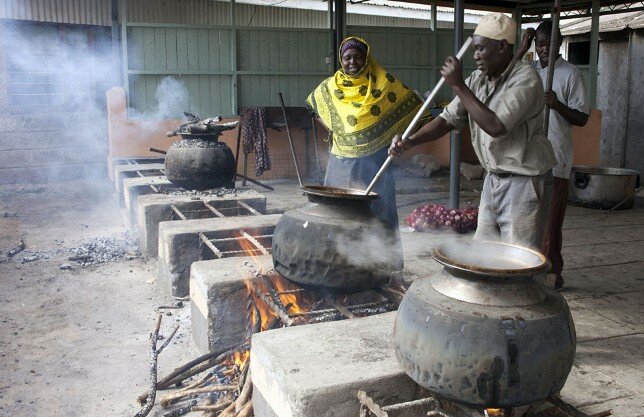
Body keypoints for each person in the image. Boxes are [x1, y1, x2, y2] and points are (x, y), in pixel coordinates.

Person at [390, 13, 556, 250]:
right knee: (484, 254)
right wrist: (410, 141)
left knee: (519, 258)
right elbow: (448, 119)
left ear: (501, 47)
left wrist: (458, 85)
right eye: (474, 50)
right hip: (493, 179)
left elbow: (496, 126)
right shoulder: (478, 79)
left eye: (480, 49)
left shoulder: (526, 79)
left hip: (524, 181)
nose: (476, 56)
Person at [307, 36, 428, 228]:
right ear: (341, 60)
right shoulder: (331, 87)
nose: (352, 62)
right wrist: (337, 130)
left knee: (376, 215)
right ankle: (339, 257)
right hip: (340, 164)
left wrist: (398, 137)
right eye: (347, 58)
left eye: (358, 57)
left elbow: (417, 112)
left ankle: (381, 256)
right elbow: (313, 109)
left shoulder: (385, 83)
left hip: (375, 165)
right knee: (338, 214)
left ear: (367, 58)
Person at [518, 22, 590, 290]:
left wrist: (557, 104)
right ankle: (528, 269)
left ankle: (552, 273)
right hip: (529, 158)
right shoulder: (530, 71)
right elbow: (505, 80)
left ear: (559, 43)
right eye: (539, 43)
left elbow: (582, 117)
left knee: (551, 222)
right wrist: (523, 48)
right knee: (528, 218)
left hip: (556, 158)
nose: (543, 49)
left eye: (547, 43)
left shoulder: (570, 74)